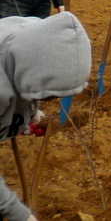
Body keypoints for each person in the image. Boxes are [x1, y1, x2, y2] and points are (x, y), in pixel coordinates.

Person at [0, 12, 92, 221]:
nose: (53, 100)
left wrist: (30, 115)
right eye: (50, 94)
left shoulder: (32, 40)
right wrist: (20, 215)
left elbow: (24, 80)